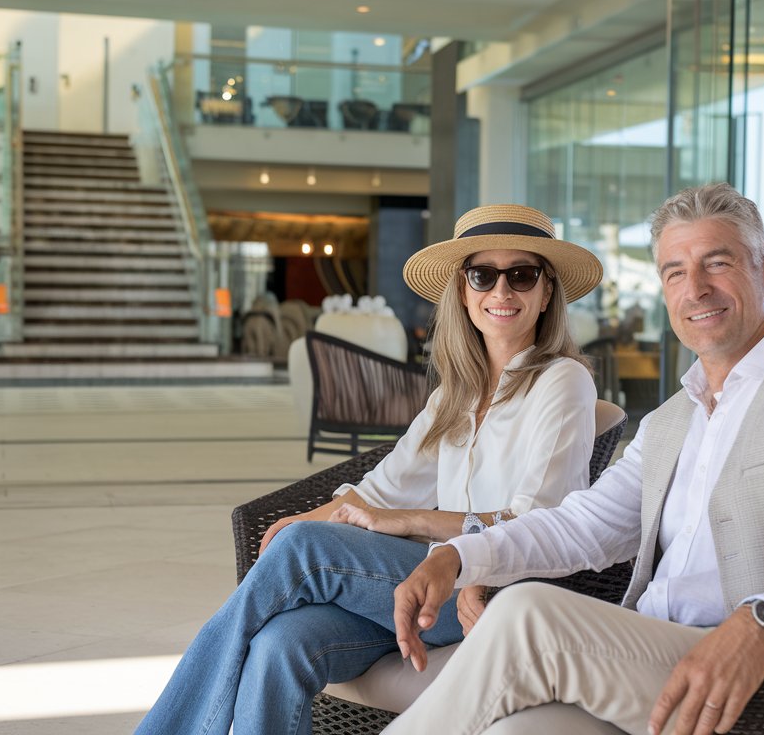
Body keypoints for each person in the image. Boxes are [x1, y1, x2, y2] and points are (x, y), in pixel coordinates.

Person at [387, 184, 764, 735]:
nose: (694, 289)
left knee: (524, 614)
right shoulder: (674, 420)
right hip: (657, 656)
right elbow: (583, 526)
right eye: (674, 272)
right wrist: (459, 556)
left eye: (716, 264)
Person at [135, 204, 604, 735]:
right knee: (279, 645)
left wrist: (417, 523)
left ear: (546, 294)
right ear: (464, 291)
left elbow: (540, 520)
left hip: (495, 590)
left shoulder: (562, 382)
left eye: (522, 275)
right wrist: (307, 518)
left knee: (303, 550)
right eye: (483, 275)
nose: (502, 291)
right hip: (419, 588)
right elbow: (379, 491)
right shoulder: (456, 394)